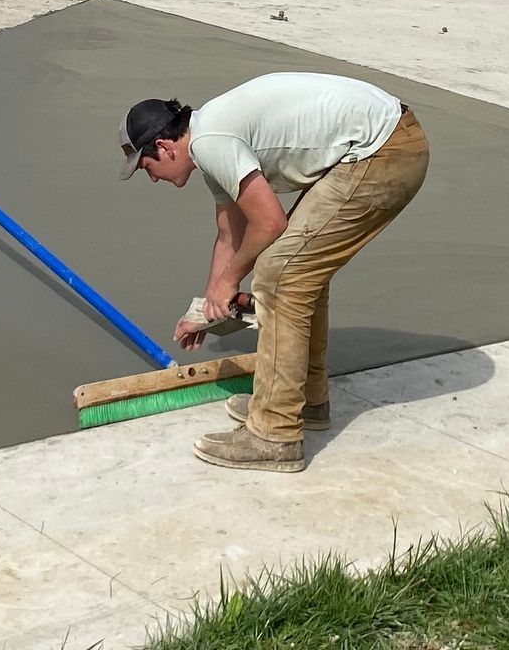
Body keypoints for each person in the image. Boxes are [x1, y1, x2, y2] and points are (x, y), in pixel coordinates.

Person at [119, 72, 429, 473]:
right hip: (381, 140)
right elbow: (229, 235)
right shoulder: (209, 141)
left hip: (384, 150)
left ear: (163, 147)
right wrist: (207, 306)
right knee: (298, 269)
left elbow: (269, 223)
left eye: (146, 167)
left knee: (282, 276)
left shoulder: (211, 142)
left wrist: (229, 281)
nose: (151, 178)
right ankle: (305, 401)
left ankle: (274, 434)